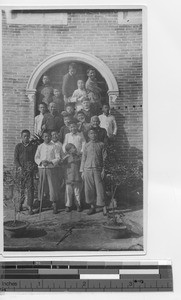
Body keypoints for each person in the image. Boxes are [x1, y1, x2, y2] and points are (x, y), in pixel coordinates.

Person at [80, 128, 107, 215]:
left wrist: (104, 170)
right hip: (87, 169)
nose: (93, 135)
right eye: (91, 133)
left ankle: (103, 206)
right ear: (88, 135)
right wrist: (82, 171)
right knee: (89, 189)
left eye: (95, 133)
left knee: (100, 188)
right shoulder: (86, 145)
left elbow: (105, 159)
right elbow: (83, 159)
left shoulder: (101, 145)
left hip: (98, 169)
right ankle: (92, 207)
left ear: (97, 135)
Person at [34, 131, 61, 214]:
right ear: (43, 137)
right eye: (45, 136)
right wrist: (41, 162)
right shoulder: (40, 146)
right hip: (42, 168)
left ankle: (54, 205)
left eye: (49, 136)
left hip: (51, 168)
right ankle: (40, 205)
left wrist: (49, 162)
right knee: (41, 186)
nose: (47, 138)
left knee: (52, 186)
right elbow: (36, 157)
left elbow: (58, 157)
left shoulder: (55, 146)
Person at [14, 129, 37, 215]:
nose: (26, 138)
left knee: (30, 188)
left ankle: (30, 206)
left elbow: (35, 159)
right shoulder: (18, 146)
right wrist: (19, 167)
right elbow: (15, 159)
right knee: (20, 188)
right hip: (20, 171)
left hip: (29, 170)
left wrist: (33, 169)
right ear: (21, 137)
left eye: (28, 136)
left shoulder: (33, 147)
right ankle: (20, 204)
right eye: (25, 136)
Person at [63, 143, 82, 212]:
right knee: (68, 192)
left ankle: (78, 205)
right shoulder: (66, 158)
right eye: (73, 148)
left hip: (76, 177)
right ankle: (68, 205)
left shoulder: (78, 157)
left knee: (77, 192)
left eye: (75, 147)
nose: (75, 149)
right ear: (69, 151)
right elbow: (63, 167)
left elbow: (81, 166)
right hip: (69, 177)